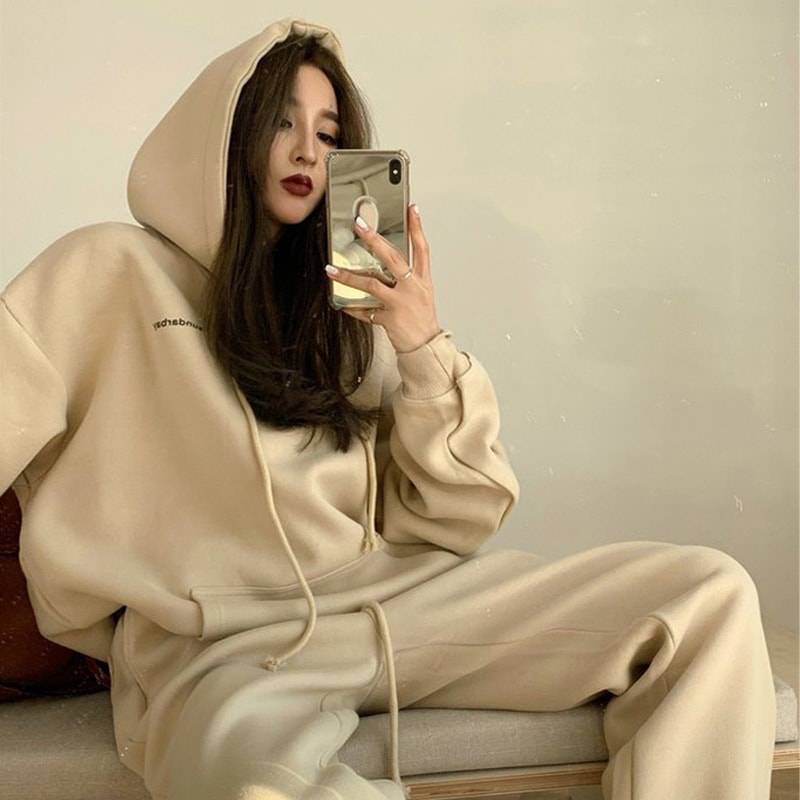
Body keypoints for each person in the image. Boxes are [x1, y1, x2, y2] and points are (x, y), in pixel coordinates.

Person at [0, 17, 776, 800]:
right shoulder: (106, 270)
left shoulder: (347, 312)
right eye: (281, 123)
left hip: (394, 604)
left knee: (705, 598)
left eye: (328, 133)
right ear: (224, 136)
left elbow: (456, 518)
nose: (308, 153)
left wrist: (421, 343)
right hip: (219, 652)